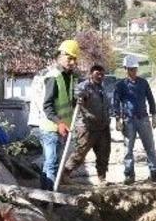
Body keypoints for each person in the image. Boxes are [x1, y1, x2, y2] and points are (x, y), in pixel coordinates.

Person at [37, 39, 80, 190]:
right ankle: (50, 199)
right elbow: (47, 106)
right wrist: (59, 122)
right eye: (70, 58)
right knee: (51, 163)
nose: (72, 62)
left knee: (51, 163)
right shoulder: (53, 77)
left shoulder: (69, 77)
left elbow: (67, 102)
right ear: (61, 56)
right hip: (51, 128)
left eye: (74, 59)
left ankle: (45, 195)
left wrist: (79, 100)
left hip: (62, 128)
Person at [61, 64, 111, 185]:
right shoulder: (84, 87)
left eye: (102, 74)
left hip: (103, 127)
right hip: (87, 126)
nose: (100, 76)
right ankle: (65, 174)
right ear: (91, 74)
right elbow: (77, 94)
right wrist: (80, 97)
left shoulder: (102, 88)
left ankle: (102, 178)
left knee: (104, 153)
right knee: (80, 152)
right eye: (97, 73)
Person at [113, 55, 156, 184]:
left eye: (134, 69)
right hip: (128, 120)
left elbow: (150, 99)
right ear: (125, 68)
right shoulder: (120, 85)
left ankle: (154, 172)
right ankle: (129, 175)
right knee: (128, 149)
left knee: (150, 147)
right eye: (130, 69)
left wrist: (154, 115)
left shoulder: (143, 83)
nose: (133, 71)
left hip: (143, 119)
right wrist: (117, 119)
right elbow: (116, 102)